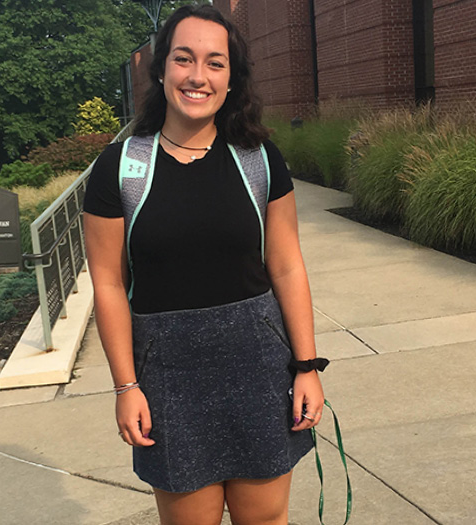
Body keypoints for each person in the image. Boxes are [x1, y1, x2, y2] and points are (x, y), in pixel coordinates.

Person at [83, 5, 325, 524]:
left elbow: (286, 266)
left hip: (258, 366)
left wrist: (306, 367)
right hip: (168, 377)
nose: (198, 76)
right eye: (184, 59)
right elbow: (106, 283)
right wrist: (126, 387)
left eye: (215, 63)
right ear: (162, 69)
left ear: (231, 77)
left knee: (265, 519)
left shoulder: (259, 158)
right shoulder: (121, 168)